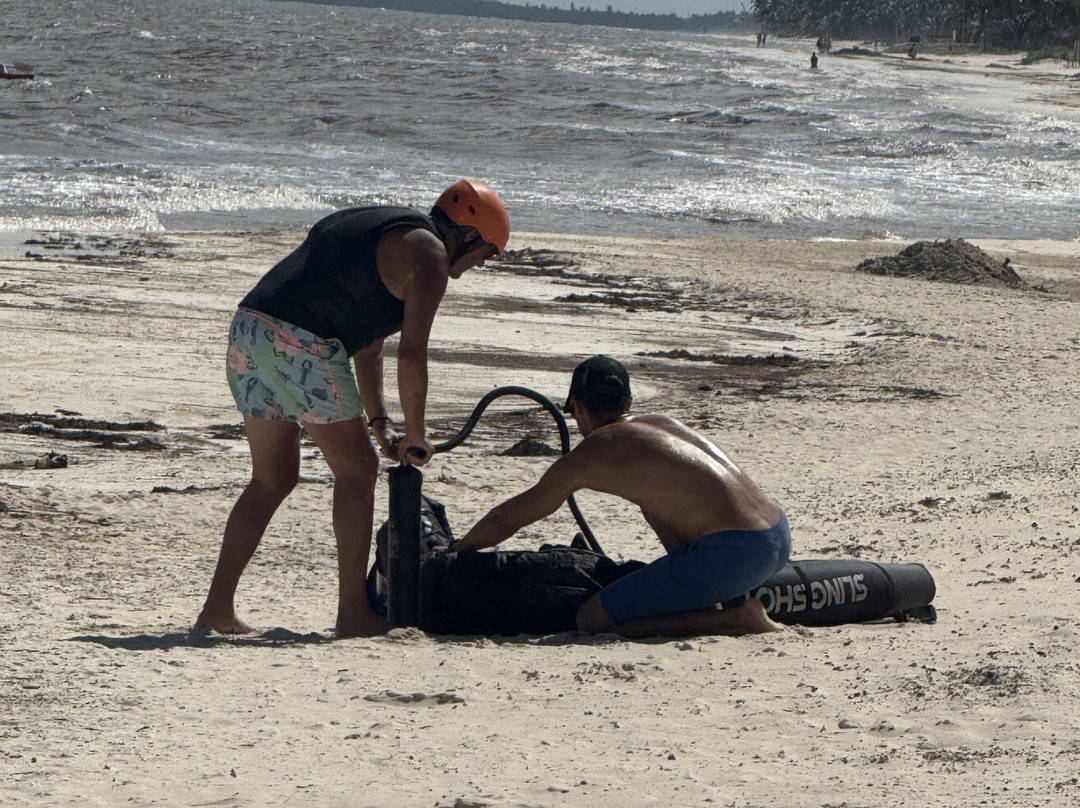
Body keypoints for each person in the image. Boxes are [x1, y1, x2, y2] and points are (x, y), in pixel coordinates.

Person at [194, 180, 510, 637]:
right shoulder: (430, 255)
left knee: (272, 478)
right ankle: (353, 615)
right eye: (488, 253)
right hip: (300, 341)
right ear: (470, 234)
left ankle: (216, 609)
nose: (482, 262)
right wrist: (418, 434)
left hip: (250, 329)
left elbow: (370, 346)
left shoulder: (385, 228)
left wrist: (379, 421)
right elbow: (412, 353)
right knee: (358, 471)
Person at [452, 356, 792, 639]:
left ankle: (735, 620)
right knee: (654, 507)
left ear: (580, 406)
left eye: (570, 410)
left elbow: (510, 517)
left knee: (591, 619)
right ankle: (710, 601)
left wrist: (460, 549)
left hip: (736, 554)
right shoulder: (662, 422)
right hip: (777, 533)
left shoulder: (595, 450)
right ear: (627, 401)